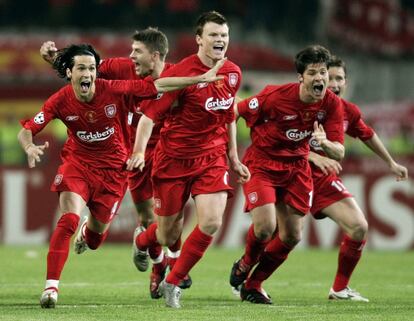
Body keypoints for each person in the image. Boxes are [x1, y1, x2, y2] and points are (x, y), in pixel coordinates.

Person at [18, 43, 224, 308]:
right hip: (78, 165)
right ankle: (51, 288)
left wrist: (201, 79)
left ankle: (87, 232)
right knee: (67, 219)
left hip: (114, 174)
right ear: (69, 73)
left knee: (94, 240)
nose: (88, 73)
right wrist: (29, 146)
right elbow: (27, 129)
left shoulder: (113, 89)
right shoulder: (59, 100)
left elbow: (158, 86)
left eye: (92, 68)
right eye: (81, 68)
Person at [39, 27, 192, 299]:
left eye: (137, 52)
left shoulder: (175, 75)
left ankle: (161, 257)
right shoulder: (120, 68)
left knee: (172, 219)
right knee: (147, 218)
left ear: (155, 56)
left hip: (169, 150)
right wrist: (55, 59)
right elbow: (84, 69)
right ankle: (158, 267)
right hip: (132, 151)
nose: (130, 56)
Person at [127, 11, 250, 308]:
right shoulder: (180, 75)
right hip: (174, 160)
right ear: (199, 39)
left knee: (210, 222)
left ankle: (174, 281)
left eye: (224, 35)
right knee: (169, 233)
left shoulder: (233, 72)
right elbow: (148, 119)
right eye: (213, 35)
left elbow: (229, 114)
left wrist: (233, 155)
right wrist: (140, 152)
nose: (220, 40)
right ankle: (143, 241)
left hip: (211, 158)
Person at [229, 45, 345, 304]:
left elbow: (339, 152)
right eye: (313, 72)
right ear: (300, 77)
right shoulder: (274, 96)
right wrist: (231, 153)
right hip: (262, 164)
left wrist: (324, 144)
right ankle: (246, 263)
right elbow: (235, 112)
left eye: (323, 72)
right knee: (265, 229)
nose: (320, 78)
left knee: (292, 236)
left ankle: (254, 285)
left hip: (296, 169)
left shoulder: (332, 105)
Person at [307, 56, 408, 301]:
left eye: (339, 78)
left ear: (346, 82)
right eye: (329, 77)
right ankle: (245, 274)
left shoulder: (346, 111)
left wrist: (391, 162)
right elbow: (278, 139)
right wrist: (313, 155)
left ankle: (339, 289)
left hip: (322, 181)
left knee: (358, 226)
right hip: (291, 175)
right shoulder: (302, 104)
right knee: (274, 232)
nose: (333, 83)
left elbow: (367, 134)